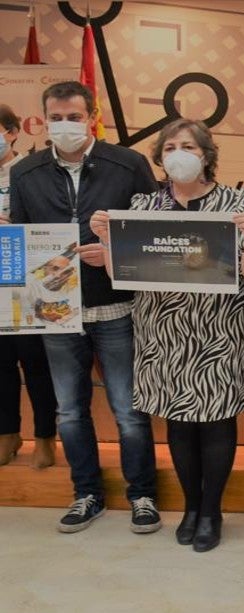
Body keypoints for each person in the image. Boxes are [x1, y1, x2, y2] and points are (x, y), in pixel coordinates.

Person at [89, 119, 244, 552]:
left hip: (221, 332)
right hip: (164, 333)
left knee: (217, 423)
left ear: (206, 155)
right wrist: (106, 242)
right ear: (160, 157)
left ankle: (212, 510)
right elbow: (123, 274)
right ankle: (190, 506)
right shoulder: (143, 207)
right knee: (180, 423)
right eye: (170, 146)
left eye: (188, 145)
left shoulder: (236, 203)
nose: (179, 153)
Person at [8, 81, 161, 534]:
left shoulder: (128, 164)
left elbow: (151, 235)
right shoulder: (26, 172)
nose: (65, 125)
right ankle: (86, 493)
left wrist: (113, 251)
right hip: (55, 315)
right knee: (70, 411)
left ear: (93, 116)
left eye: (74, 116)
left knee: (128, 410)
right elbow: (20, 238)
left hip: (115, 309)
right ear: (43, 119)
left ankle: (142, 495)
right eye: (56, 117)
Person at [0, 103, 57, 469]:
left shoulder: (28, 171)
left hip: (25, 280)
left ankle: (44, 437)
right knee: (0, 364)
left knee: (35, 362)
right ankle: (7, 433)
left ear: (11, 132)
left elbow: (46, 222)